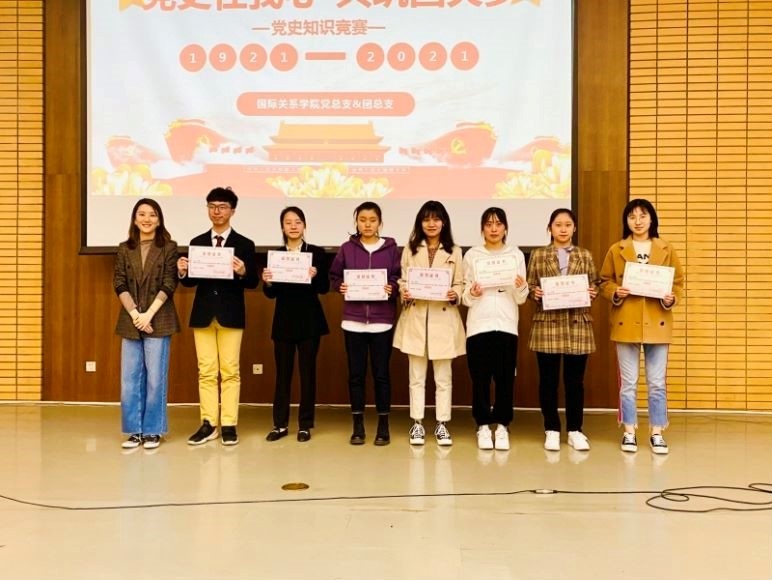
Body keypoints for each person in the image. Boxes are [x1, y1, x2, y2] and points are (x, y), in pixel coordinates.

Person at [599, 198, 684, 455]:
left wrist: (671, 298)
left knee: (657, 382)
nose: (637, 221)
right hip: (626, 321)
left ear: (651, 219)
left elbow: (678, 283)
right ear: (626, 221)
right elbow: (604, 281)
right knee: (629, 383)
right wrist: (615, 292)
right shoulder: (617, 249)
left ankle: (657, 432)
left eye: (643, 216)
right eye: (632, 216)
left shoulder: (666, 248)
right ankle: (629, 431)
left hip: (658, 321)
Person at [177, 186, 258, 446]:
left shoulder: (245, 244)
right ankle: (209, 423)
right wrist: (182, 271)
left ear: (232, 211)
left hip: (231, 314)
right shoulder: (197, 242)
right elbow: (190, 282)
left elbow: (253, 282)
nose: (217, 211)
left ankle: (229, 424)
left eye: (222, 207)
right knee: (206, 371)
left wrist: (243, 271)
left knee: (231, 371)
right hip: (203, 314)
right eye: (212, 206)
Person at [394, 200, 466, 446]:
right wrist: (404, 291)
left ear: (443, 222)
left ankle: (442, 424)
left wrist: (455, 294)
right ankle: (417, 423)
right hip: (416, 318)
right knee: (416, 376)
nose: (431, 224)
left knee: (443, 378)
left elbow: (460, 283)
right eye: (426, 219)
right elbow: (404, 280)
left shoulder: (455, 250)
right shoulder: (410, 249)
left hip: (443, 319)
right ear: (420, 223)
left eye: (436, 219)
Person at [527, 208, 598, 452]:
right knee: (548, 381)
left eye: (568, 224)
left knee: (575, 382)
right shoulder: (538, 255)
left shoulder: (584, 255)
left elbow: (594, 283)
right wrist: (534, 293)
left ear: (574, 228)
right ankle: (552, 429)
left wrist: (593, 292)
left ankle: (575, 430)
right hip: (547, 324)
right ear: (550, 228)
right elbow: (530, 285)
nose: (563, 229)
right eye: (558, 224)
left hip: (577, 324)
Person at [329, 201, 401, 446]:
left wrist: (392, 288)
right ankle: (358, 426)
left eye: (372, 220)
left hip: (382, 322)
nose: (367, 224)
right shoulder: (347, 248)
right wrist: (340, 286)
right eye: (362, 220)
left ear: (380, 222)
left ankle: (383, 426)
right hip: (353, 322)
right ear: (356, 222)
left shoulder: (391, 249)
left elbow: (398, 277)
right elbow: (335, 276)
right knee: (356, 376)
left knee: (381, 375)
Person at [113, 198, 180, 450]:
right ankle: (134, 431)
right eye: (141, 214)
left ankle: (153, 430)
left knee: (155, 379)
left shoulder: (169, 247)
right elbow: (119, 282)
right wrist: (135, 315)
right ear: (134, 219)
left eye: (152, 214)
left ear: (159, 220)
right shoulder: (124, 248)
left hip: (158, 318)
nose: (147, 219)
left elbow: (170, 283)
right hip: (131, 319)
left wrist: (148, 315)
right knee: (129, 379)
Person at [462, 207, 528, 451]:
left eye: (498, 224)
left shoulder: (515, 255)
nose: (493, 229)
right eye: (489, 224)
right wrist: (472, 292)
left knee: (504, 379)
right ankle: (482, 425)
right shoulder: (472, 255)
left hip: (506, 325)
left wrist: (520, 287)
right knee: (480, 379)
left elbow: (521, 298)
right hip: (478, 325)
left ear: (505, 228)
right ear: (482, 229)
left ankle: (502, 425)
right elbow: (464, 297)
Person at [262, 206, 329, 443]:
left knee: (307, 374)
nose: (293, 226)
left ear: (304, 226)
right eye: (288, 222)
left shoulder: (316, 253)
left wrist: (315, 276)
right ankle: (280, 424)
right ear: (282, 227)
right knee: (282, 375)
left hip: (310, 322)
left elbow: (324, 288)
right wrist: (268, 282)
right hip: (284, 321)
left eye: (298, 222)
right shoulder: (276, 255)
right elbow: (271, 294)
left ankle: (305, 425)